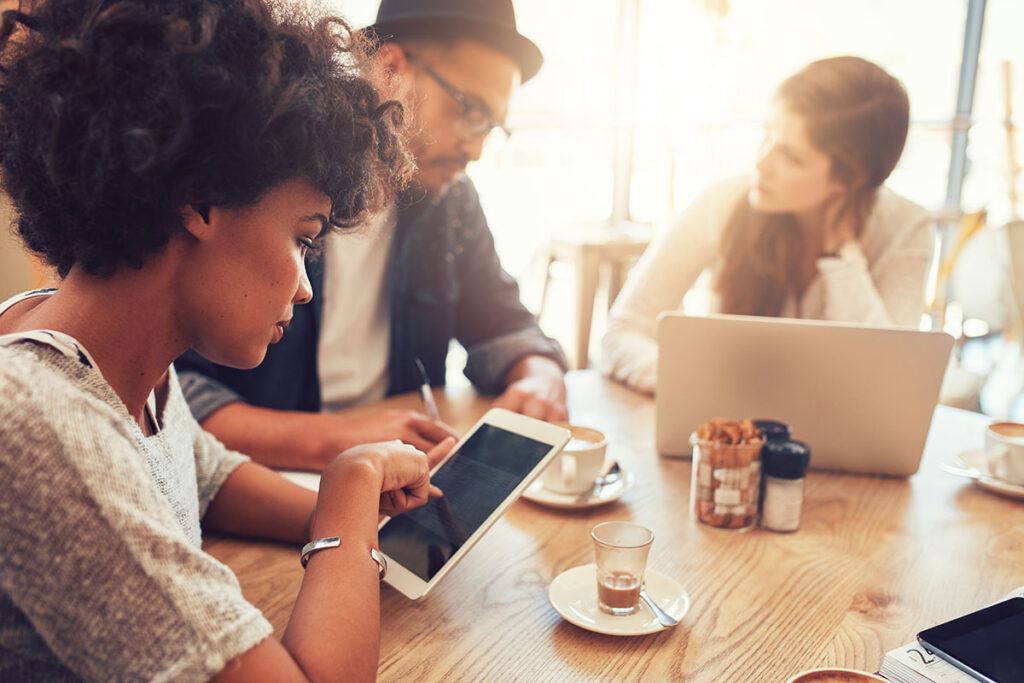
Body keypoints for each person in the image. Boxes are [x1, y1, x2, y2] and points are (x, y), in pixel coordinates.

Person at [0, 0, 452, 679]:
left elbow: (203, 474)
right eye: (303, 237)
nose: (304, 287)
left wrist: (355, 513)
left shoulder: (111, 350)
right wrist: (352, 492)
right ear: (202, 200)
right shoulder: (39, 420)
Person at [174, 0, 569, 471]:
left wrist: (540, 374)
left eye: (491, 128)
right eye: (470, 112)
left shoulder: (450, 202)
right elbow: (172, 395)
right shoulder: (270, 181)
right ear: (391, 69)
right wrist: (338, 439)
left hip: (395, 474)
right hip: (260, 485)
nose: (477, 149)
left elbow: (503, 321)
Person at [601, 56, 934, 394]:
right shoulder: (725, 200)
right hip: (727, 434)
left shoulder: (906, 228)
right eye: (767, 134)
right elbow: (623, 331)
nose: (761, 162)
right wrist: (691, 386)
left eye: (790, 156)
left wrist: (842, 257)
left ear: (851, 177)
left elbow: (888, 382)